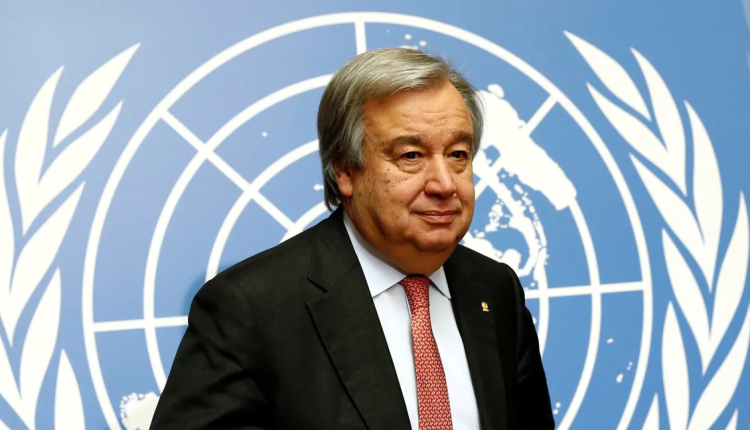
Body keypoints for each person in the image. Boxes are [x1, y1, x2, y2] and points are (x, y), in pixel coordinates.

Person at [150, 47, 554, 430]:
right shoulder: (251, 308)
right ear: (345, 171)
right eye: (411, 156)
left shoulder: (496, 290)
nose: (445, 184)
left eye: (458, 155)